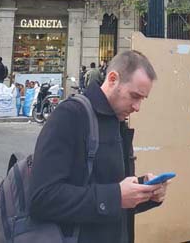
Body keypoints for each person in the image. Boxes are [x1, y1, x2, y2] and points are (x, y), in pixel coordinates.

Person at [29, 50, 169, 243]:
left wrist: (145, 191)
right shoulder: (70, 115)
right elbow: (42, 199)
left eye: (142, 99)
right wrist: (116, 196)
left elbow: (111, 189)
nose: (137, 107)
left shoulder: (117, 120)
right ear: (113, 79)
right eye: (134, 96)